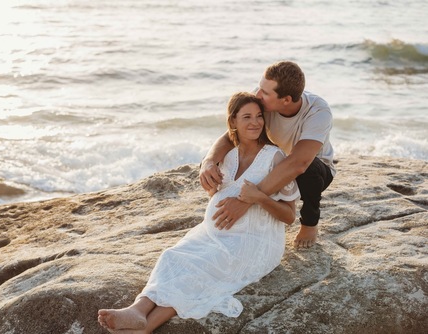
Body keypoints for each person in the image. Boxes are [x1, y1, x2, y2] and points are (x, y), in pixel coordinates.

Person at [97, 92, 300, 334]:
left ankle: (145, 325)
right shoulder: (227, 156)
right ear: (233, 122)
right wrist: (211, 188)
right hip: (214, 235)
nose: (255, 122)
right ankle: (139, 310)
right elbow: (218, 196)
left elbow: (289, 215)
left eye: (258, 116)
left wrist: (259, 197)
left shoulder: (274, 157)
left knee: (198, 267)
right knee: (173, 257)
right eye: (247, 117)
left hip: (254, 243)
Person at [200, 60, 335, 249]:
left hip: (311, 171)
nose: (257, 94)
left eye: (264, 92)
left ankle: (310, 223)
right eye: (260, 87)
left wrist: (246, 200)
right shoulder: (264, 100)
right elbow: (232, 134)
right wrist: (208, 162)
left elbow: (299, 162)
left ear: (286, 100)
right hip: (273, 162)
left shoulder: (318, 111)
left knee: (309, 168)